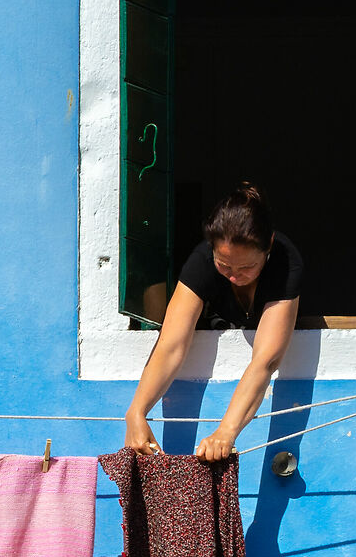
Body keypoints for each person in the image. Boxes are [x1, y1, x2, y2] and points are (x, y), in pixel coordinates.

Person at [123, 183, 302, 461]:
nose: (233, 276)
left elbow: (266, 360)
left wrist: (226, 431)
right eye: (224, 265)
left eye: (247, 268)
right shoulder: (202, 262)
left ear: (268, 246)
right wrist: (136, 411)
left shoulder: (285, 264)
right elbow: (171, 344)